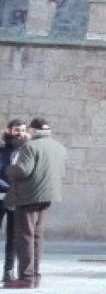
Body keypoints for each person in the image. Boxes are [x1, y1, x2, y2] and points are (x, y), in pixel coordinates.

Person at [4, 117, 67, 290]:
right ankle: (35, 276)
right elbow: (61, 171)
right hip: (47, 196)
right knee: (37, 237)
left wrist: (10, 168)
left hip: (28, 196)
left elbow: (23, 170)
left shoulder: (30, 146)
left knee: (25, 237)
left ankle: (26, 277)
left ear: (33, 130)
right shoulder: (58, 147)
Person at [0, 120, 27, 282]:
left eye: (23, 130)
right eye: (17, 130)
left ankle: (8, 271)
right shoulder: (1, 150)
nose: (20, 133)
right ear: (9, 131)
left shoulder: (27, 150)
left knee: (13, 237)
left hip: (17, 199)